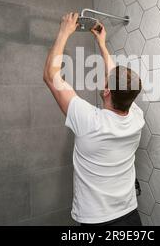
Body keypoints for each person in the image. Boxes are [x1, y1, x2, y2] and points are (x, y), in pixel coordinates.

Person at [43, 12, 145, 226]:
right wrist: (102, 44)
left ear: (107, 92)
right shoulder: (136, 117)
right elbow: (115, 80)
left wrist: (64, 32)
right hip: (130, 216)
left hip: (97, 222)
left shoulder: (89, 121)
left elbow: (50, 76)